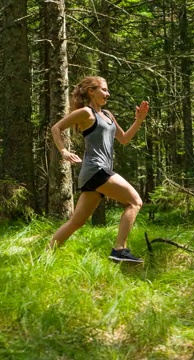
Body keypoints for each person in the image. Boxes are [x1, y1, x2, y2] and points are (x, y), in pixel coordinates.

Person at [48, 76, 149, 263]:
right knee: (135, 202)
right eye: (103, 89)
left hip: (94, 174)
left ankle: (45, 255)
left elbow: (124, 139)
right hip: (96, 169)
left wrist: (139, 120)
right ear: (91, 91)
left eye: (107, 90)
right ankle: (119, 249)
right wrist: (63, 151)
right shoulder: (86, 113)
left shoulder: (108, 115)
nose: (107, 93)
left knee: (76, 223)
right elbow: (56, 128)